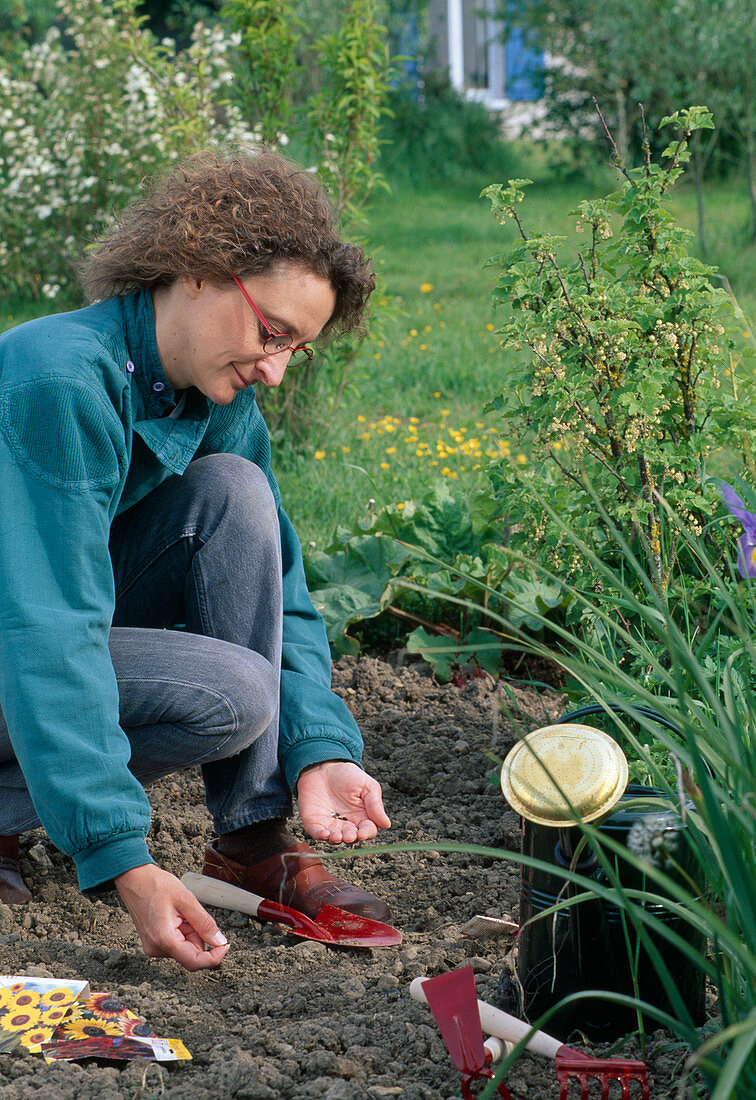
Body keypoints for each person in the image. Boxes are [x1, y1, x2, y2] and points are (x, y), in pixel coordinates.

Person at [0, 149, 392, 972]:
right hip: (21, 640)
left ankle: (251, 836)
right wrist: (122, 858)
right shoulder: (58, 380)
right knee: (232, 692)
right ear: (203, 271)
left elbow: (281, 591)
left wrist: (320, 748)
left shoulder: (211, 398)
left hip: (28, 651)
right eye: (272, 333)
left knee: (235, 493)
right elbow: (48, 625)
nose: (276, 371)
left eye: (297, 349)